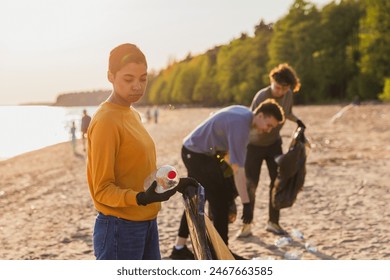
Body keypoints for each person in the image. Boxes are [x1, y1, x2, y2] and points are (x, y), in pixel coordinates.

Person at [87, 43, 195, 260]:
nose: (137, 85)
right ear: (110, 76)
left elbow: (137, 170)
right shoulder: (106, 120)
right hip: (119, 228)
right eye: (128, 79)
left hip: (147, 223)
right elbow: (101, 189)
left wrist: (174, 184)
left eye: (143, 78)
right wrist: (140, 198)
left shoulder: (133, 114)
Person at [169, 99, 285, 259]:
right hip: (196, 154)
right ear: (260, 115)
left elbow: (228, 154)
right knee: (220, 202)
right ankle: (221, 254)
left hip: (197, 152)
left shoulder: (244, 113)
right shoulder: (242, 128)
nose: (268, 130)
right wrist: (246, 204)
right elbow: (239, 171)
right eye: (269, 125)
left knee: (196, 198)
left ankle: (179, 248)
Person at [238, 63, 306, 238]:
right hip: (253, 146)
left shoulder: (288, 95)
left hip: (274, 144)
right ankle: (247, 224)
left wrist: (298, 121)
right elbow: (250, 120)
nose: (280, 92)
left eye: (285, 88)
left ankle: (273, 223)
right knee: (251, 184)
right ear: (272, 81)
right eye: (278, 87)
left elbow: (287, 112)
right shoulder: (262, 95)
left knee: (277, 182)